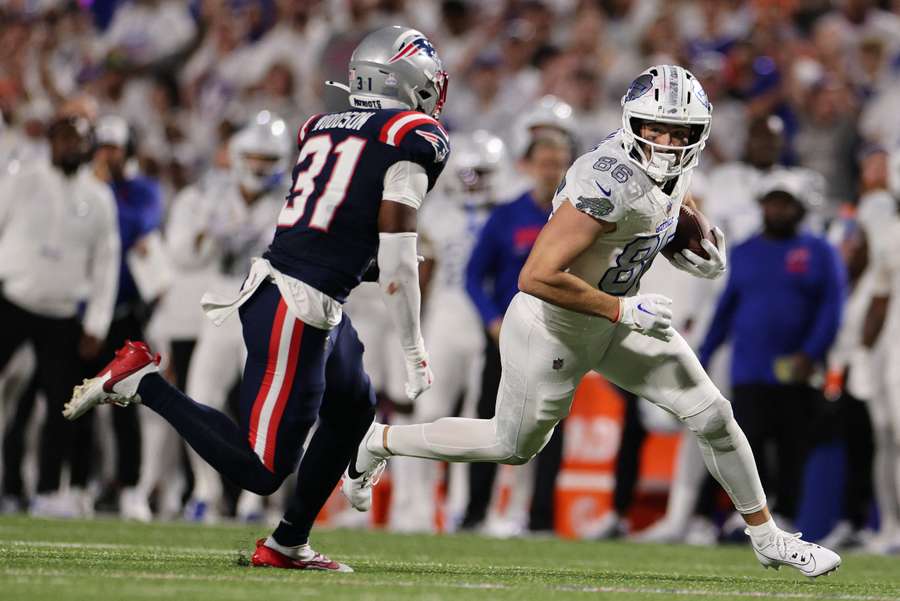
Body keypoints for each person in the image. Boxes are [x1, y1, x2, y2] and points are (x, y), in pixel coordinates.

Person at [345, 65, 842, 577]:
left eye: (680, 132)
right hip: (553, 324)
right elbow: (534, 275)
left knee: (713, 413)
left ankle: (767, 537)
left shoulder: (673, 165)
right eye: (655, 128)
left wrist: (695, 237)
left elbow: (669, 200)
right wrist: (622, 308)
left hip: (616, 318)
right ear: (633, 124)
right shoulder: (607, 179)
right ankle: (377, 440)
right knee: (510, 446)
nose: (668, 142)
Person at [63, 26, 450, 572]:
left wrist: (361, 270)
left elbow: (331, 229)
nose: (436, 88)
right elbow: (396, 259)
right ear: (403, 79)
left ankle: (289, 541)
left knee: (354, 404)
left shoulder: (321, 126)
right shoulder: (413, 135)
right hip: (294, 306)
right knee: (262, 469)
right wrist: (414, 350)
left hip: (304, 293)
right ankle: (142, 382)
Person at [699, 171, 846, 528]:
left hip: (797, 369)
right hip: (749, 367)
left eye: (785, 203)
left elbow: (832, 308)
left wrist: (810, 353)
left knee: (793, 446)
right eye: (772, 202)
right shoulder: (745, 251)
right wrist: (701, 356)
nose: (777, 210)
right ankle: (754, 517)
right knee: (748, 443)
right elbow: (725, 310)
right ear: (762, 206)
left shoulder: (819, 251)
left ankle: (788, 516)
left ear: (799, 208)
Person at [0, 114, 120, 516]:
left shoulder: (99, 197)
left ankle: (50, 491)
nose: (72, 146)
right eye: (66, 138)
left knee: (61, 406)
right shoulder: (22, 178)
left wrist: (97, 323)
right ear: (51, 140)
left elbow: (107, 263)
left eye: (81, 140)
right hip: (12, 298)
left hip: (63, 311)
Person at [178, 111, 293, 523]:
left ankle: (254, 498)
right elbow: (184, 254)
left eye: (269, 158)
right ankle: (205, 492)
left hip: (267, 302)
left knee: (261, 407)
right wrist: (205, 235)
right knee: (199, 397)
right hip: (223, 301)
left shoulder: (291, 200)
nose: (260, 166)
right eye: (255, 156)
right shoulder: (212, 194)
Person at [90, 114, 164, 521]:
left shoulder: (141, 189)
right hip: (83, 311)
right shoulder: (84, 187)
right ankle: (76, 484)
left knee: (126, 399)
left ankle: (132, 486)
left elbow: (133, 225)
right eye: (101, 146)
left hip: (126, 312)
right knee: (74, 401)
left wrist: (99, 190)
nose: (106, 155)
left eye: (113, 147)